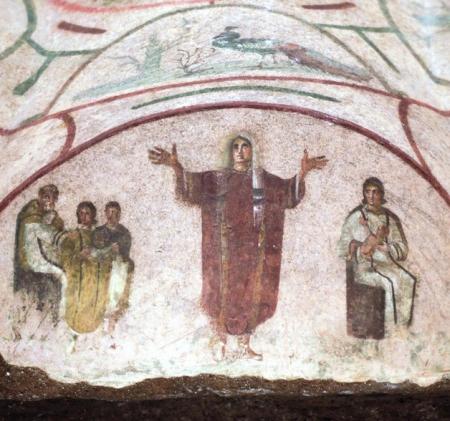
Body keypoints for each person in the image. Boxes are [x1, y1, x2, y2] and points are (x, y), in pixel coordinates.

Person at [149, 134, 327, 360]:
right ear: (230, 152)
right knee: (220, 294)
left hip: (253, 252)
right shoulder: (218, 179)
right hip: (223, 251)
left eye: (245, 146)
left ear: (252, 151)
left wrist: (303, 172)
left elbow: (288, 195)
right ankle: (220, 342)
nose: (241, 151)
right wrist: (175, 166)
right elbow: (190, 190)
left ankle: (245, 345)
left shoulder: (262, 180)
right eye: (236, 147)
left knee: (252, 294)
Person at [337, 177, 417, 339]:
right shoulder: (355, 218)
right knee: (390, 282)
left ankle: (402, 328)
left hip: (387, 265)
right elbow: (342, 248)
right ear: (364, 195)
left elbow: (403, 248)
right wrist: (362, 250)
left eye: (375, 192)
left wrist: (388, 248)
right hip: (364, 269)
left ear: (382, 195)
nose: (371, 196)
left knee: (408, 280)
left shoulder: (390, 219)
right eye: (368, 192)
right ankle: (389, 331)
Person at [13, 184, 66, 335]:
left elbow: (56, 231)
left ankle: (47, 329)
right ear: (39, 196)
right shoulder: (31, 213)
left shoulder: (47, 214)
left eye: (52, 198)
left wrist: (54, 221)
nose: (49, 201)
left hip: (42, 262)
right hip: (30, 264)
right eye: (46, 197)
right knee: (56, 281)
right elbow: (43, 235)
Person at [59, 201, 112, 335]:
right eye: (81, 213)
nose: (84, 216)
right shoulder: (72, 235)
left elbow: (107, 256)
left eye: (87, 213)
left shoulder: (100, 234)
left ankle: (94, 325)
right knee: (79, 302)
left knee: (95, 301)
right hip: (79, 278)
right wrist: (79, 256)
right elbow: (65, 258)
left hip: (96, 277)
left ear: (93, 215)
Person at [94, 201, 134, 332]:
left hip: (117, 266)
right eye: (110, 212)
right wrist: (107, 250)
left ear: (119, 214)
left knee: (118, 277)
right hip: (101, 266)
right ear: (105, 213)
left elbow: (125, 253)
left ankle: (112, 321)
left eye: (115, 213)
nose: (112, 215)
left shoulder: (124, 232)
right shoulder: (99, 231)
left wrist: (117, 252)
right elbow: (95, 251)